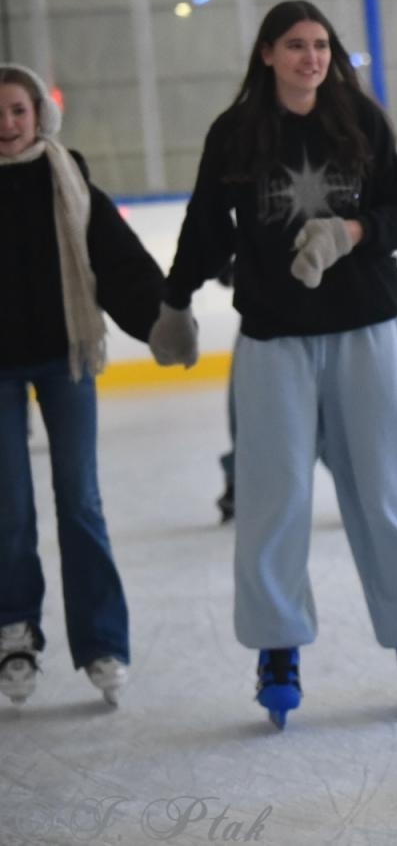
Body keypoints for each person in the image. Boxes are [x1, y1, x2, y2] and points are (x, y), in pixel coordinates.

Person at [149, 0, 397, 727]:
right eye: (295, 45)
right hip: (274, 339)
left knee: (389, 485)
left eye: (320, 45)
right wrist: (175, 300)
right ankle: (278, 646)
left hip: (366, 331)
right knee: (272, 498)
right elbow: (202, 223)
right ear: (266, 55)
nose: (310, 58)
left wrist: (351, 230)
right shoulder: (235, 135)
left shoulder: (360, 123)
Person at [0, 62, 164, 708]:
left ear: (40, 114)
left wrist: (159, 318)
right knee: (8, 507)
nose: (7, 124)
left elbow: (116, 258)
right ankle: (14, 633)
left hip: (64, 357)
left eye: (17, 109)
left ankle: (100, 641)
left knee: (81, 500)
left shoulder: (67, 177)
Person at [214, 262, 397, 524]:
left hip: (344, 311)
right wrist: (228, 266)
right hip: (271, 317)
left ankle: (367, 486)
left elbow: (373, 234)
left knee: (346, 418)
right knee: (259, 417)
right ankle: (241, 479)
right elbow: (218, 232)